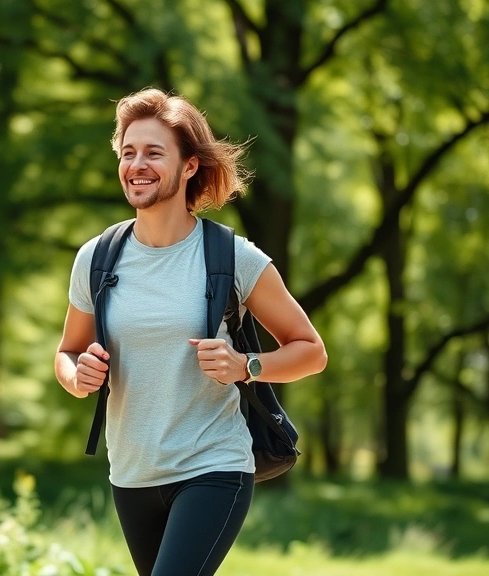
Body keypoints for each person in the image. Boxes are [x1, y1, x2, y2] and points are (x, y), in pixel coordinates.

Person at [54, 88, 328, 576]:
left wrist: (248, 366)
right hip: (132, 473)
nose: (137, 164)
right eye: (129, 152)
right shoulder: (96, 258)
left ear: (189, 167)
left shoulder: (232, 257)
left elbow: (311, 351)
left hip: (213, 466)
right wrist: (79, 376)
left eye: (154, 153)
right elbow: (68, 353)